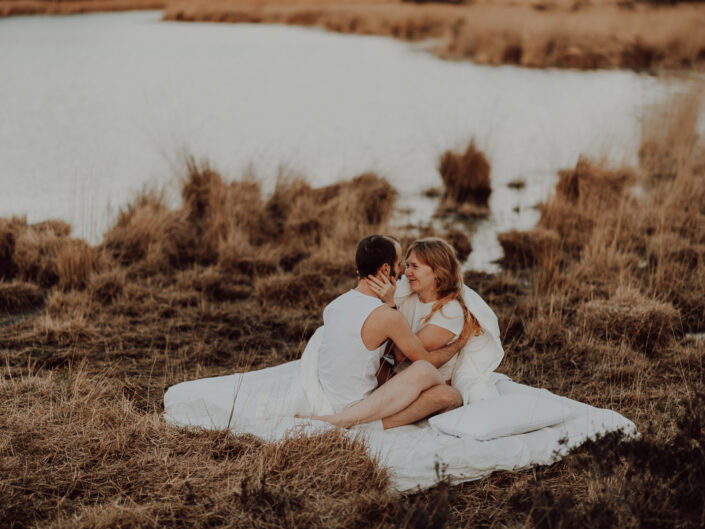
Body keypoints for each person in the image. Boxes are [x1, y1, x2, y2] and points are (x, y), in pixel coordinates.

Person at [307, 235, 467, 430]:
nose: (403, 272)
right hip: (358, 405)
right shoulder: (387, 315)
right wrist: (459, 344)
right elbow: (420, 358)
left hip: (332, 396)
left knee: (436, 386)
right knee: (439, 385)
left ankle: (347, 419)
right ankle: (356, 423)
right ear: (385, 269)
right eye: (400, 264)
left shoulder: (334, 306)